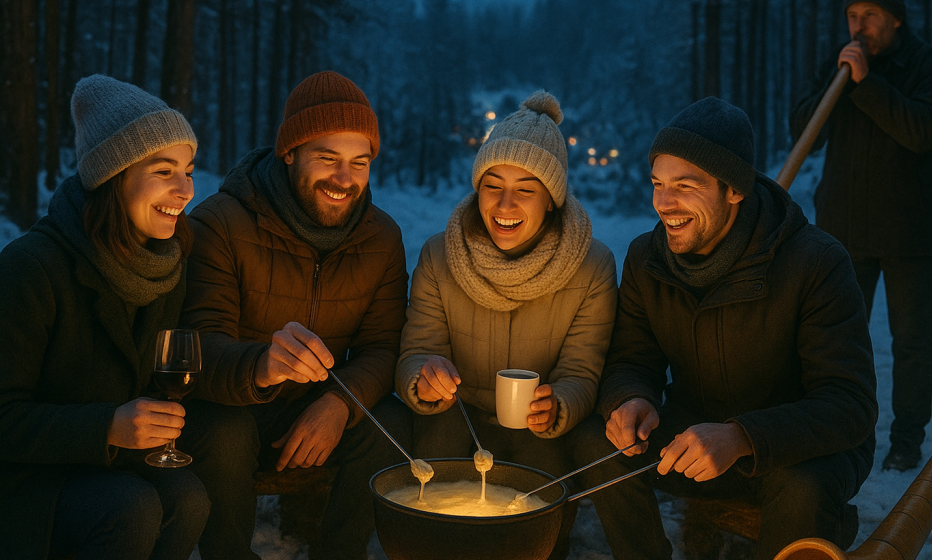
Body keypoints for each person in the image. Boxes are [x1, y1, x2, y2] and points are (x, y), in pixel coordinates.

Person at [572, 97, 879, 560]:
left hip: (795, 447)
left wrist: (741, 437)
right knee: (596, 440)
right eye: (657, 183)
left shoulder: (815, 263)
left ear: (734, 189)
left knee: (803, 485)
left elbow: (849, 404)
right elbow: (632, 358)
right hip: (693, 432)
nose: (664, 203)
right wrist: (631, 398)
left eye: (685, 186)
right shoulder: (647, 259)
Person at [178, 70, 410, 560]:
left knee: (388, 420)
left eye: (359, 162)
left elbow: (384, 348)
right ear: (289, 153)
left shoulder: (382, 238)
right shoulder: (220, 223)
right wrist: (261, 364)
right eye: (327, 159)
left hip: (318, 406)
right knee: (225, 430)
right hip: (234, 406)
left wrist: (338, 404)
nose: (344, 179)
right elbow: (198, 342)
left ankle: (338, 549)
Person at [395, 91, 618, 560]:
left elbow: (582, 371)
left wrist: (558, 405)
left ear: (552, 200)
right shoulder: (440, 255)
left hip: (538, 429)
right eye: (492, 184)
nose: (505, 203)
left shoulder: (591, 267)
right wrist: (423, 378)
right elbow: (415, 350)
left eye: (526, 189)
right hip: (457, 415)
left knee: (539, 502)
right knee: (435, 489)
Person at [0, 74, 208, 560]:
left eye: (189, 170)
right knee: (128, 506)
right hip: (28, 479)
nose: (185, 191)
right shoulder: (30, 268)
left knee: (188, 498)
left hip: (110, 463)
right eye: (164, 171)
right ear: (113, 178)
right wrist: (107, 427)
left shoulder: (164, 262)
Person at [790, 0, 932, 471]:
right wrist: (837, 82)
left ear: (897, 18)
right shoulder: (837, 64)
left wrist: (868, 83)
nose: (859, 26)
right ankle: (841, 429)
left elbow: (922, 130)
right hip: (844, 228)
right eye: (852, 15)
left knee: (910, 342)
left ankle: (906, 439)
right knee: (837, 340)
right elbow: (803, 128)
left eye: (871, 15)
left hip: (910, 229)